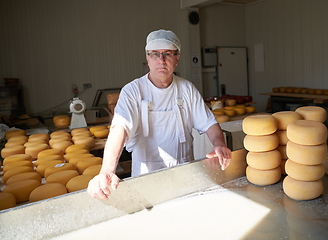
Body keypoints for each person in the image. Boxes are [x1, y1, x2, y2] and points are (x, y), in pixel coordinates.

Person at [87, 29, 231, 199]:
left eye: (167, 54)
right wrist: (107, 170)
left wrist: (219, 144)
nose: (161, 60)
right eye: (155, 54)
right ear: (147, 58)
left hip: (183, 171)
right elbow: (120, 128)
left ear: (177, 58)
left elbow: (209, 123)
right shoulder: (133, 91)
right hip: (146, 174)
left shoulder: (186, 89)